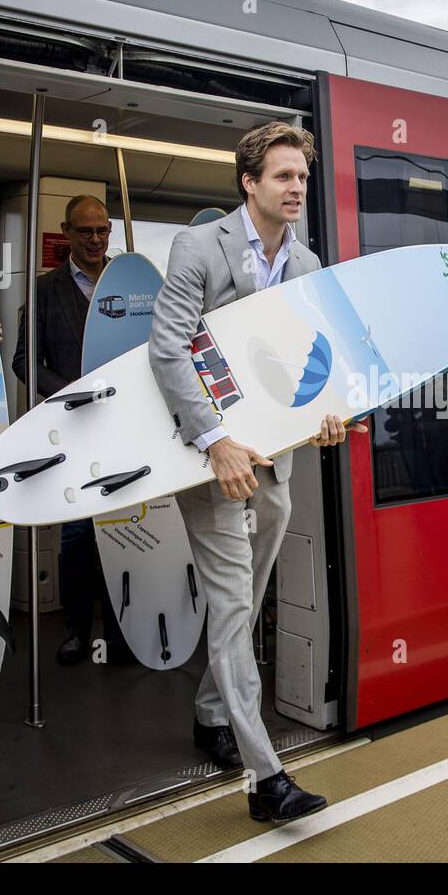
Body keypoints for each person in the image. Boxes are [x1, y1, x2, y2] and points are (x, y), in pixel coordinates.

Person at [149, 122, 364, 824]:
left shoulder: (306, 264)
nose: (296, 187)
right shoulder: (198, 246)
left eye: (302, 176)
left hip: (276, 460)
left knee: (249, 590)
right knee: (236, 604)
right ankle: (266, 777)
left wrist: (327, 418)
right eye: (282, 176)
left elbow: (309, 363)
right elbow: (167, 349)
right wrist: (215, 440)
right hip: (210, 456)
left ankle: (212, 708)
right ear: (249, 183)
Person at [13, 194, 131, 664]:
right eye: (86, 231)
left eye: (103, 230)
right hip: (76, 427)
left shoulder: (131, 286)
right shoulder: (45, 291)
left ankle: (124, 632)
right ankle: (78, 631)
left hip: (126, 428)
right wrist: (75, 393)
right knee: (78, 535)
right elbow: (26, 361)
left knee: (125, 532)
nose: (96, 240)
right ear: (66, 233)